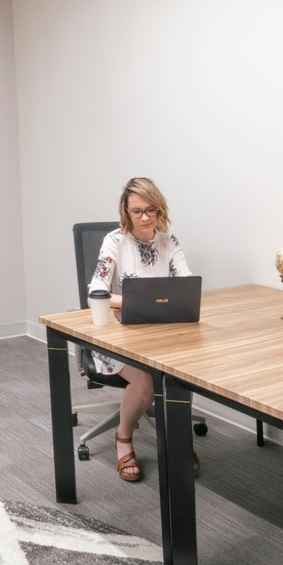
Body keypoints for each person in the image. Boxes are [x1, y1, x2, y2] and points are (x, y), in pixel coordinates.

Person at [87, 176, 198, 482]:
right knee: (146, 383)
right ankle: (123, 438)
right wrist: (133, 301)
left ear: (160, 210)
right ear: (126, 212)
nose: (146, 217)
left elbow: (186, 286)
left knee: (185, 373)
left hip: (161, 332)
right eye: (137, 211)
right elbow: (97, 292)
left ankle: (177, 440)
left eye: (152, 210)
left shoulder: (169, 242)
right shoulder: (114, 242)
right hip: (120, 334)